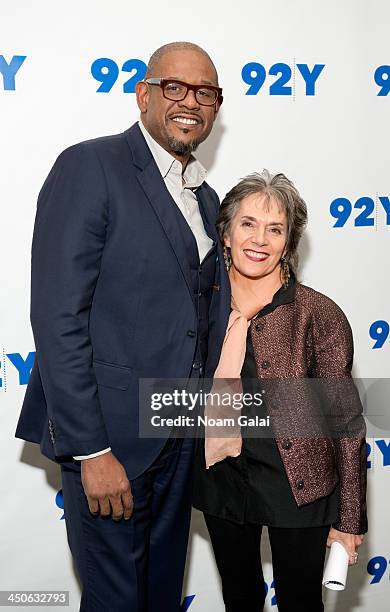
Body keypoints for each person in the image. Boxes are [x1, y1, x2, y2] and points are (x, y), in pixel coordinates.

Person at [15, 41, 230, 611]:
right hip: (110, 443)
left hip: (178, 439)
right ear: (144, 95)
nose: (190, 102)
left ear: (217, 107)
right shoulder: (91, 165)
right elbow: (59, 318)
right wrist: (89, 451)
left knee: (160, 598)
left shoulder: (206, 198)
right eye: (175, 87)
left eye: (205, 93)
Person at [193, 170, 368, 612]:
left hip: (299, 485)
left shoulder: (317, 314)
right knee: (240, 596)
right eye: (248, 224)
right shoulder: (198, 305)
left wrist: (349, 520)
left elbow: (346, 424)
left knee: (301, 602)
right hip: (221, 477)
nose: (260, 239)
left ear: (289, 243)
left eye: (276, 229)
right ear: (226, 234)